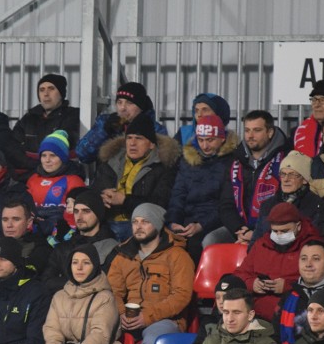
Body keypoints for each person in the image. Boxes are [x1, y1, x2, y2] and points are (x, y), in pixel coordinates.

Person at [107, 203, 195, 344]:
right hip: (127, 318)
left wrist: (147, 316)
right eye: (135, 222)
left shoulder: (177, 255)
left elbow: (181, 295)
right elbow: (112, 291)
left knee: (153, 341)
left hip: (165, 319)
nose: (138, 227)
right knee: (99, 335)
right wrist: (120, 313)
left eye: (145, 222)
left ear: (158, 225)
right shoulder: (123, 255)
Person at [91, 112, 180, 241]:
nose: (132, 143)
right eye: (129, 138)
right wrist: (100, 199)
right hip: (106, 224)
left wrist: (124, 200)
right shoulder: (109, 163)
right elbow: (93, 192)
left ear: (151, 144)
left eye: (139, 138)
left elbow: (160, 204)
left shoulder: (163, 167)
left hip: (140, 227)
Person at [209, 110, 289, 247]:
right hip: (240, 228)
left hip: (273, 229)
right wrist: (239, 230)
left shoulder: (285, 159)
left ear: (270, 132)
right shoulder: (236, 161)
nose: (250, 136)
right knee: (211, 240)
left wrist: (256, 232)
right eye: (247, 130)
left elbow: (285, 205)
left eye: (257, 130)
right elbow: (226, 204)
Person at [167, 115, 239, 263]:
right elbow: (178, 194)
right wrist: (174, 221)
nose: (205, 146)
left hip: (214, 222)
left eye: (210, 140)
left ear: (222, 138)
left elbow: (226, 203)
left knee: (198, 244)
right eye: (201, 140)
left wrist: (201, 225)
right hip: (187, 221)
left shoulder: (233, 162)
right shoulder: (188, 160)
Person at [236, 202, 321, 320]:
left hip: (291, 310)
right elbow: (240, 274)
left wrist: (288, 286)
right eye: (275, 231)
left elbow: (320, 282)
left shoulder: (314, 247)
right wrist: (252, 283)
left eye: (285, 231)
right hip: (255, 309)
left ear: (298, 226)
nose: (279, 235)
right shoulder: (261, 244)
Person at [41, 188, 118, 293]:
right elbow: (47, 281)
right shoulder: (63, 248)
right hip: (63, 304)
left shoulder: (112, 248)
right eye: (76, 211)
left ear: (98, 214)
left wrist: (66, 282)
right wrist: (78, 283)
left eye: (86, 211)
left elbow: (108, 284)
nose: (79, 217)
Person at [76, 82, 167, 164]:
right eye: (119, 102)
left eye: (129, 103)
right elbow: (82, 155)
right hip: (109, 179)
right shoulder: (105, 122)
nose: (122, 108)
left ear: (141, 106)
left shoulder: (155, 129)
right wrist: (104, 132)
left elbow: (162, 161)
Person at [250, 150, 319, 244]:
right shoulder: (268, 205)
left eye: (292, 174)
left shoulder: (316, 205)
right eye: (283, 174)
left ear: (304, 180)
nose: (286, 179)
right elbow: (255, 241)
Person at [26, 130, 86, 236]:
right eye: (44, 155)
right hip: (34, 234)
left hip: (62, 235)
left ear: (62, 157)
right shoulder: (33, 179)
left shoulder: (74, 180)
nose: (47, 160)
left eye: (52, 155)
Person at [12, 74, 80, 157]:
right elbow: (14, 146)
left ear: (61, 93)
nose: (46, 94)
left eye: (51, 89)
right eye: (42, 90)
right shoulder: (28, 118)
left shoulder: (73, 115)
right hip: (30, 168)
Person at [189, 273, 246, 344]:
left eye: (226, 296)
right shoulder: (208, 323)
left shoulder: (255, 325)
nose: (221, 301)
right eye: (217, 297)